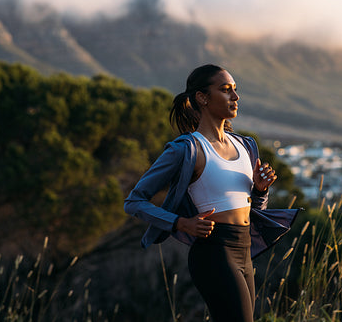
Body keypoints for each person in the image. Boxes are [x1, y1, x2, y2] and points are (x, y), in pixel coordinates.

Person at [124, 64, 300, 322]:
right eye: (226, 90)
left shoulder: (246, 145)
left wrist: (260, 191)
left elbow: (254, 213)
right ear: (202, 98)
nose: (235, 97)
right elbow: (134, 201)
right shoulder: (187, 149)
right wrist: (180, 223)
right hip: (214, 253)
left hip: (245, 250)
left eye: (235, 90)